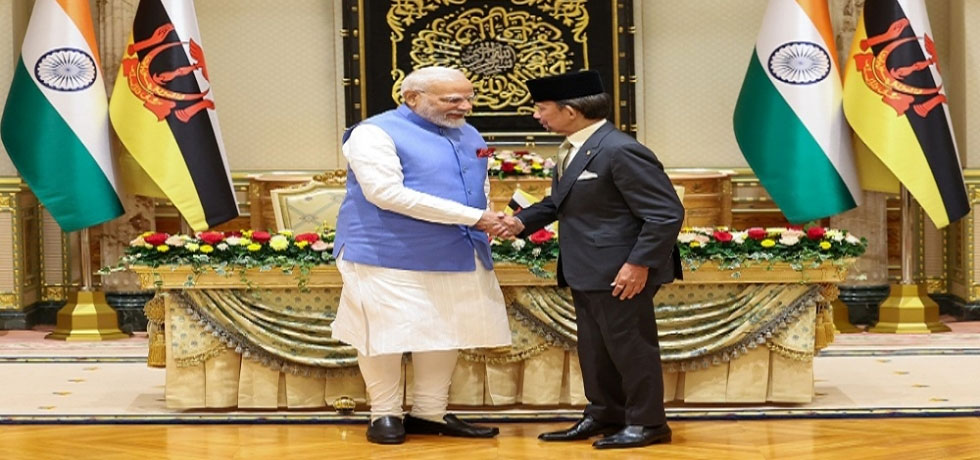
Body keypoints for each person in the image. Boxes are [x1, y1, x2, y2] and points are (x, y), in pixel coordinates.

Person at [496, 70, 684, 449]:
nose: (536, 115)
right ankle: (605, 414)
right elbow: (560, 203)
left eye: (541, 107)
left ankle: (648, 424)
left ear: (569, 111)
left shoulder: (619, 149)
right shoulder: (574, 148)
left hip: (623, 271)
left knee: (630, 348)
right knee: (596, 350)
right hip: (587, 269)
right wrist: (519, 222)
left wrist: (639, 264)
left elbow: (665, 213)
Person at [331, 66, 512, 445]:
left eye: (469, 97)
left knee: (445, 328)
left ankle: (430, 412)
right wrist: (474, 217)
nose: (466, 106)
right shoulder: (373, 132)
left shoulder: (468, 132)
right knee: (385, 333)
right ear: (412, 98)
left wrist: (488, 217)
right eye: (453, 100)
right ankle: (384, 413)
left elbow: (478, 180)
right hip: (384, 251)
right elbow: (385, 193)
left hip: (457, 248)